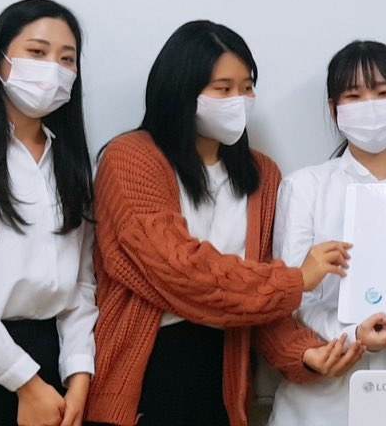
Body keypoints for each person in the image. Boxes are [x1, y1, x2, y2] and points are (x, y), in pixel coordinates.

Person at [84, 21, 362, 426]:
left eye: (247, 87)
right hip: (146, 372)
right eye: (223, 88)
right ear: (181, 89)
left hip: (223, 378)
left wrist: (303, 353)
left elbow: (257, 296)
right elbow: (178, 271)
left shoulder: (262, 175)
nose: (240, 101)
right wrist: (296, 280)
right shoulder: (131, 158)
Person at [269, 40, 386, 426]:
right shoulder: (304, 188)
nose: (370, 106)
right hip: (321, 403)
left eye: (383, 93)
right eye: (354, 96)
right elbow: (290, 297)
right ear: (334, 110)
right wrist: (352, 335)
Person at [0, 0, 96, 426]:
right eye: (37, 52)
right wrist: (25, 383)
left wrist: (79, 373)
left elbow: (82, 284)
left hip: (55, 361)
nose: (53, 69)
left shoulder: (74, 164)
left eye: (67, 59)